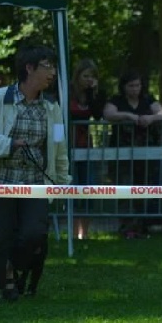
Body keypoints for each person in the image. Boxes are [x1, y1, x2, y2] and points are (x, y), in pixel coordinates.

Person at [0, 45, 71, 304]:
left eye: (54, 67)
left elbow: (59, 148)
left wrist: (63, 183)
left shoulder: (52, 108)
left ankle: (10, 269)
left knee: (33, 235)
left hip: (36, 184)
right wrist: (6, 144)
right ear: (29, 68)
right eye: (47, 66)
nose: (53, 73)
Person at [103, 68, 162, 238]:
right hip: (121, 154)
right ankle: (126, 226)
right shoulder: (117, 101)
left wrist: (150, 118)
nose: (135, 89)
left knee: (143, 188)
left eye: (137, 85)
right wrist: (129, 116)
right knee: (125, 188)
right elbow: (108, 114)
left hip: (145, 153)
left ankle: (141, 226)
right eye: (131, 86)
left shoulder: (148, 100)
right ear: (124, 86)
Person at [68, 58, 107, 239]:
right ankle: (74, 232)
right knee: (73, 189)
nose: (88, 79)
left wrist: (92, 93)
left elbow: (98, 115)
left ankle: (85, 232)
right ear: (77, 77)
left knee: (87, 189)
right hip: (69, 145)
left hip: (86, 146)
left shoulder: (94, 94)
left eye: (92, 76)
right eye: (85, 76)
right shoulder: (67, 92)